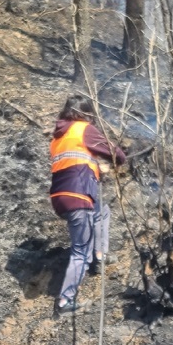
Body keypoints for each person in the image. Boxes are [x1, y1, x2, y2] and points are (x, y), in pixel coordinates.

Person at [50, 93, 126, 315]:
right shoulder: (83, 129)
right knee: (80, 251)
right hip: (79, 195)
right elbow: (118, 155)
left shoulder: (57, 138)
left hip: (60, 197)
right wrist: (107, 161)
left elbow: (75, 162)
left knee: (102, 212)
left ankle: (100, 255)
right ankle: (65, 301)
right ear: (85, 114)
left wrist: (93, 163)